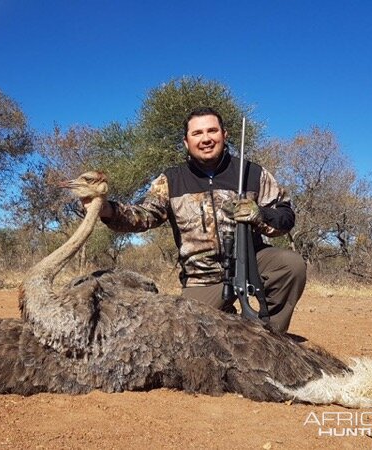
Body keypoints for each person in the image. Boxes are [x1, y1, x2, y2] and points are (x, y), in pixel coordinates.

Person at [94, 107, 306, 333]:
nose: (206, 139)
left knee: (290, 264)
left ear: (224, 135)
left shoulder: (252, 172)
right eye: (197, 133)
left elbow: (285, 214)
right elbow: (145, 216)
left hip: (251, 260)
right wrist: (107, 209)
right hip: (201, 277)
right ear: (186, 142)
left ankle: (273, 337)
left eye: (212, 131)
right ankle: (226, 317)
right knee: (188, 336)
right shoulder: (171, 179)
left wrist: (260, 215)